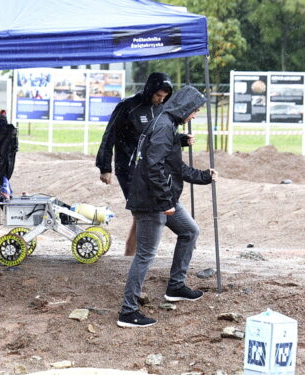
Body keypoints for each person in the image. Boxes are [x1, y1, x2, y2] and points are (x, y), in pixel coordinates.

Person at [117, 86, 217, 328]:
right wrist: (166, 203)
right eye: (195, 111)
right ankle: (128, 312)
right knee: (145, 255)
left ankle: (176, 286)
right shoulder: (163, 126)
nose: (194, 116)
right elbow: (153, 167)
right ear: (185, 108)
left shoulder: (167, 125)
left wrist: (203, 176)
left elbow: (174, 166)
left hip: (162, 199)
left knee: (189, 231)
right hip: (153, 202)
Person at [96, 72, 173, 256]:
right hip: (128, 168)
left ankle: (132, 257)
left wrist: (182, 140)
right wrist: (105, 167)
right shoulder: (128, 106)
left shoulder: (162, 108)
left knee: (144, 215)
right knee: (142, 214)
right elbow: (109, 135)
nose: (161, 100)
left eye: (164, 97)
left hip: (150, 169)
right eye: (158, 96)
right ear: (149, 90)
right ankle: (133, 257)